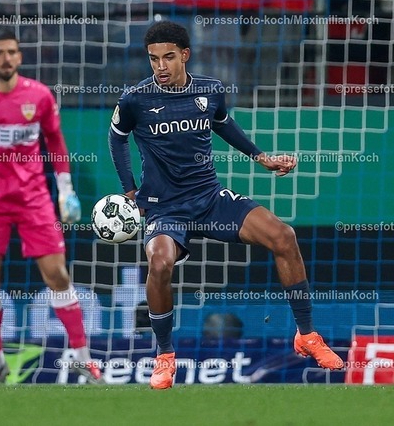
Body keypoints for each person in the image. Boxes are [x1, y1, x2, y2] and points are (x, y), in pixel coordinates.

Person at [108, 21, 343, 390]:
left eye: (168, 57)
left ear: (185, 55)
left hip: (209, 197)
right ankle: (165, 356)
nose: (161, 66)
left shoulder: (210, 90)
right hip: (164, 208)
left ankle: (307, 335)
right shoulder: (135, 99)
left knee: (283, 236)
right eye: (154, 59)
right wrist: (129, 190)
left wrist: (261, 157)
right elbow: (116, 138)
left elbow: (223, 124)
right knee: (159, 262)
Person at [0, 29, 102, 385]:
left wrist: (65, 190)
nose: (6, 58)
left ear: (20, 57)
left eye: (12, 52)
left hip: (34, 200)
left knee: (57, 275)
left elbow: (56, 141)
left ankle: (83, 358)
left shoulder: (39, 95)